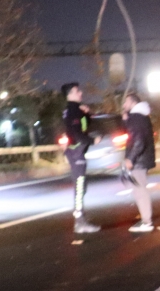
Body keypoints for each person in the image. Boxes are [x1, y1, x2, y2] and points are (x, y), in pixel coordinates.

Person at [61, 82, 99, 234]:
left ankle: (81, 219)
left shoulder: (75, 110)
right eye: (77, 91)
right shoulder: (73, 110)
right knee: (80, 186)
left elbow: (84, 125)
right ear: (70, 94)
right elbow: (77, 134)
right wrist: (92, 140)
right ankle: (80, 223)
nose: (80, 93)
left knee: (82, 187)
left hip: (77, 151)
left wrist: (87, 113)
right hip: (76, 151)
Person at [121, 92, 156, 233]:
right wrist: (125, 120)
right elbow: (134, 134)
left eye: (126, 102)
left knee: (140, 189)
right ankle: (146, 219)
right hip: (143, 158)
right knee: (139, 188)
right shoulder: (140, 116)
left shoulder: (136, 117)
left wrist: (131, 158)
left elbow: (138, 141)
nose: (124, 105)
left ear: (132, 102)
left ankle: (147, 221)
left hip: (139, 160)